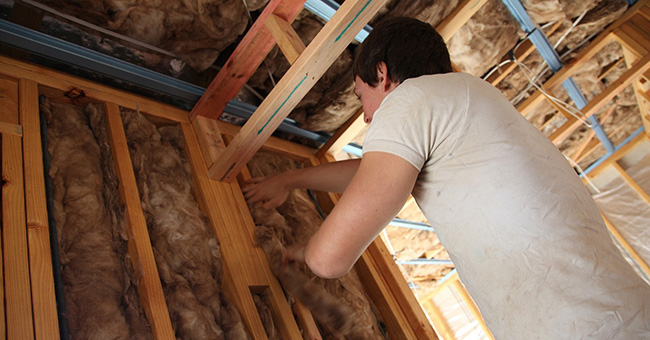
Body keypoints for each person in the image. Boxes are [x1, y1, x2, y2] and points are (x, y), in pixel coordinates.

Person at [243, 17, 650, 339]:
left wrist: (307, 253)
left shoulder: (408, 100)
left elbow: (328, 260)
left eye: (360, 95)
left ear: (382, 75)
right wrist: (292, 181)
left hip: (584, 328)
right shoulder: (464, 101)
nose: (366, 115)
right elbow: (374, 173)